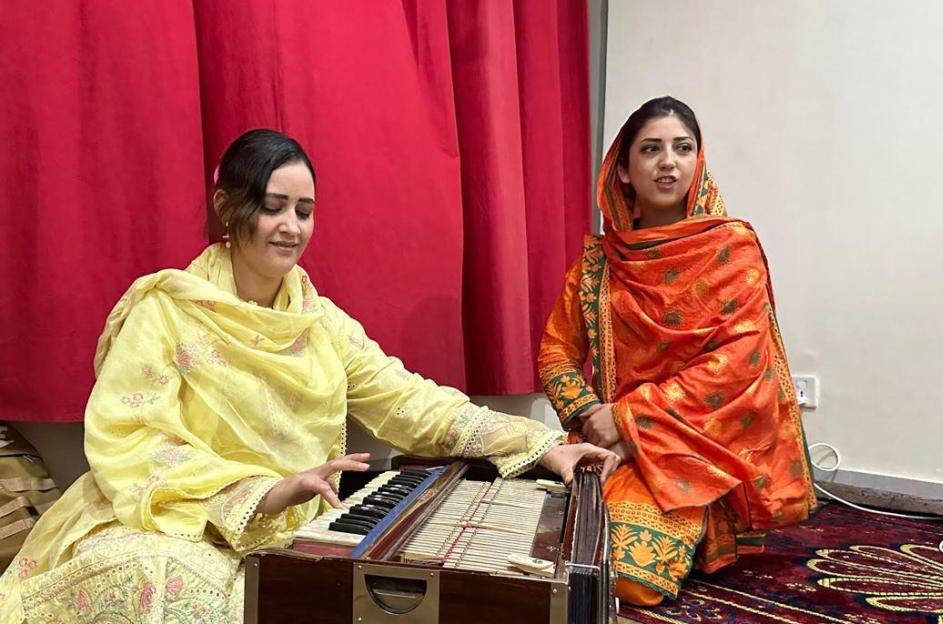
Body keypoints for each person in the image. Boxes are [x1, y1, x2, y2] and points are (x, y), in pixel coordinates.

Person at [0, 129, 618, 623]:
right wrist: (258, 492)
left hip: (290, 532)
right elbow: (129, 439)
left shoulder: (319, 323)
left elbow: (412, 403)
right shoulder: (168, 310)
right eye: (272, 208)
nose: (291, 227)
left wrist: (541, 447)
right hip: (171, 517)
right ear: (228, 208)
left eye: (304, 210)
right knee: (167, 584)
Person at [538, 97, 817, 607]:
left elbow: (738, 366)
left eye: (682, 148)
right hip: (605, 443)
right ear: (623, 169)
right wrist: (591, 417)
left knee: (627, 579)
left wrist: (629, 420)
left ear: (697, 161)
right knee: (529, 547)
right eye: (651, 149)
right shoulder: (599, 264)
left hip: (696, 448)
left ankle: (712, 512)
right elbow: (557, 350)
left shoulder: (731, 250)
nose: (668, 161)